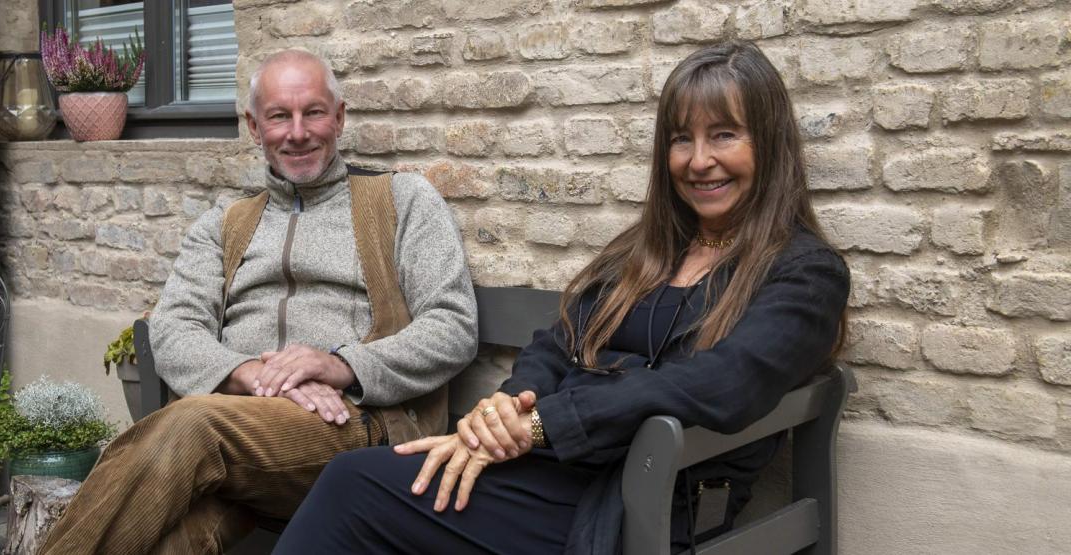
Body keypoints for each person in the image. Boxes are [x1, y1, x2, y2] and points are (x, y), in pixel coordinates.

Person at [273, 40, 850, 554]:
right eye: (682, 139)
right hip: (554, 469)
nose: (698, 161)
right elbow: (555, 345)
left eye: (723, 134)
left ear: (767, 143)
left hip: (647, 498)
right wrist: (508, 408)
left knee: (355, 489)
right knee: (359, 481)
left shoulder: (805, 274)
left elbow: (719, 383)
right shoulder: (647, 253)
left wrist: (541, 424)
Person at [40, 49, 479, 554]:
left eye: (314, 112)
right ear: (254, 126)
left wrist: (341, 365)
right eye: (279, 116)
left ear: (339, 118)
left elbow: (453, 325)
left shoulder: (401, 201)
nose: (298, 132)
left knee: (192, 423)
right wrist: (250, 375)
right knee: (171, 539)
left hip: (352, 429)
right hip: (239, 443)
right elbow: (174, 328)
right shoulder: (224, 225)